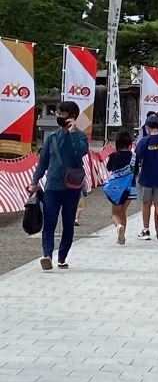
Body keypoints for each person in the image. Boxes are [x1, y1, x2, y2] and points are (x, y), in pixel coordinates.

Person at [29, 101, 89, 270]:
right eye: (58, 113)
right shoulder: (53, 137)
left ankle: (62, 256)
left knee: (68, 223)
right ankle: (47, 254)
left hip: (72, 187)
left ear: (72, 116)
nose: (59, 116)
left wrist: (73, 133)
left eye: (63, 114)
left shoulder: (80, 136)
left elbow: (81, 152)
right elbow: (43, 162)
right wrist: (34, 181)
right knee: (50, 222)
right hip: (53, 186)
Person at [135, 115, 158, 241]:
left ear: (147, 127)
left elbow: (138, 156)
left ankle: (146, 230)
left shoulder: (144, 141)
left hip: (147, 176)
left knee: (146, 203)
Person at [106, 130, 135, 244]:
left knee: (115, 213)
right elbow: (136, 170)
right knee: (123, 212)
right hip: (130, 188)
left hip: (117, 188)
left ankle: (118, 227)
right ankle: (122, 237)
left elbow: (109, 168)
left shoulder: (113, 156)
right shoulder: (133, 156)